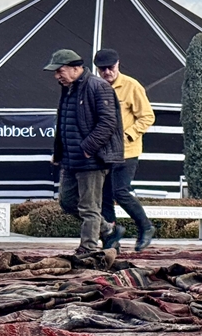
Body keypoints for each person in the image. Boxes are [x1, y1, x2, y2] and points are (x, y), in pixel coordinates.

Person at [46, 49, 123, 255]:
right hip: (71, 160)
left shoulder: (98, 87)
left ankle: (87, 248)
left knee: (89, 208)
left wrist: (88, 148)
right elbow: (64, 123)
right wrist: (59, 152)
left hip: (92, 161)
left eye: (59, 70)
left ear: (76, 68)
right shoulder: (69, 88)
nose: (56, 76)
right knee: (67, 202)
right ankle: (108, 230)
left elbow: (108, 123)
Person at [92, 49, 155, 252]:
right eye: (103, 69)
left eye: (111, 68)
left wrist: (128, 134)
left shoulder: (131, 86)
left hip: (127, 151)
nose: (107, 72)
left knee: (121, 191)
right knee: (104, 196)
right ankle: (111, 240)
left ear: (118, 64)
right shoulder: (95, 87)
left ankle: (145, 227)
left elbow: (147, 116)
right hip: (102, 152)